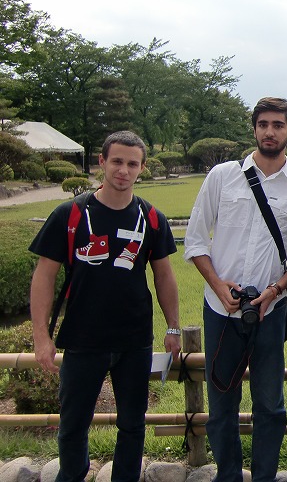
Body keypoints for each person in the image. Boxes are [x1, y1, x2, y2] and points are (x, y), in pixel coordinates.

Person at [30, 130, 181, 482]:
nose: (123, 170)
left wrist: (172, 326)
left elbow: (164, 277)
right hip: (83, 338)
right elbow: (44, 278)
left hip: (134, 339)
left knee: (133, 425)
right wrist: (41, 336)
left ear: (142, 168)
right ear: (102, 162)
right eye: (116, 161)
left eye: (132, 163)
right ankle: (72, 475)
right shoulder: (70, 214)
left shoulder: (151, 217)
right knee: (72, 426)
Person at [184, 97, 287, 482]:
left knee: (270, 404)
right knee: (221, 402)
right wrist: (217, 285)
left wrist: (276, 290)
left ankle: (264, 477)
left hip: (269, 311)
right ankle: (227, 475)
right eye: (263, 124)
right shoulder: (222, 176)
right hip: (219, 308)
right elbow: (195, 242)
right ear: (254, 129)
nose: (270, 131)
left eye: (278, 125)